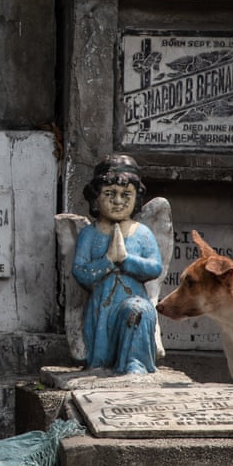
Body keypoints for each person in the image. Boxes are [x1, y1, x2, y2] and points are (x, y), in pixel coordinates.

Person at [71, 154, 162, 374]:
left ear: (136, 198)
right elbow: (80, 271)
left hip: (134, 300)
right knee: (101, 355)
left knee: (137, 310)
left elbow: (155, 267)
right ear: (95, 198)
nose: (118, 201)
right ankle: (101, 364)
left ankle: (135, 363)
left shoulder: (142, 233)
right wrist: (108, 260)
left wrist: (126, 259)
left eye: (126, 195)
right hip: (102, 307)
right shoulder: (90, 234)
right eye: (109, 194)